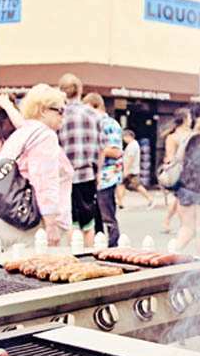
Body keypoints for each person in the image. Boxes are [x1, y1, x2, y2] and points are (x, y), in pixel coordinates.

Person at [0, 84, 73, 248]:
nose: (63, 116)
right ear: (43, 110)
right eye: (60, 110)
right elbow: (45, 180)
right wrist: (51, 225)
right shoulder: (45, 136)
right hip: (34, 226)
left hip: (7, 220)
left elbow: (0, 180)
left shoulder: (21, 134)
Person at [57, 73, 102, 247]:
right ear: (80, 90)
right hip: (87, 174)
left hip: (65, 176)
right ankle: (89, 255)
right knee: (88, 223)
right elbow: (101, 148)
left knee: (71, 221)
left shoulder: (60, 115)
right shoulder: (93, 114)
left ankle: (74, 254)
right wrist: (98, 172)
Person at [82, 92, 123, 247]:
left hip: (107, 177)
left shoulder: (109, 124)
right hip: (96, 176)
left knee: (107, 215)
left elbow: (116, 151)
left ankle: (113, 246)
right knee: (96, 216)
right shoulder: (94, 124)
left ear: (96, 106)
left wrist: (97, 149)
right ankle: (101, 246)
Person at [174, 117, 200, 252]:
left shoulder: (189, 138)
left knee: (186, 227)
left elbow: (179, 159)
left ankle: (173, 252)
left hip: (185, 186)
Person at [161, 108, 194, 233]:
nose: (191, 120)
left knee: (179, 198)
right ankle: (181, 225)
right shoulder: (189, 135)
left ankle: (171, 222)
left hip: (181, 170)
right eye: (190, 117)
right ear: (185, 119)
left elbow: (169, 156)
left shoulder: (172, 136)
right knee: (180, 198)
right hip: (185, 171)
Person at [118, 129, 154, 208]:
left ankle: (150, 199)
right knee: (122, 185)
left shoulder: (132, 145)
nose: (124, 139)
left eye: (124, 137)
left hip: (130, 170)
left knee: (137, 186)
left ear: (129, 136)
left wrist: (126, 170)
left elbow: (130, 158)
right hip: (131, 170)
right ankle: (120, 202)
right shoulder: (133, 145)